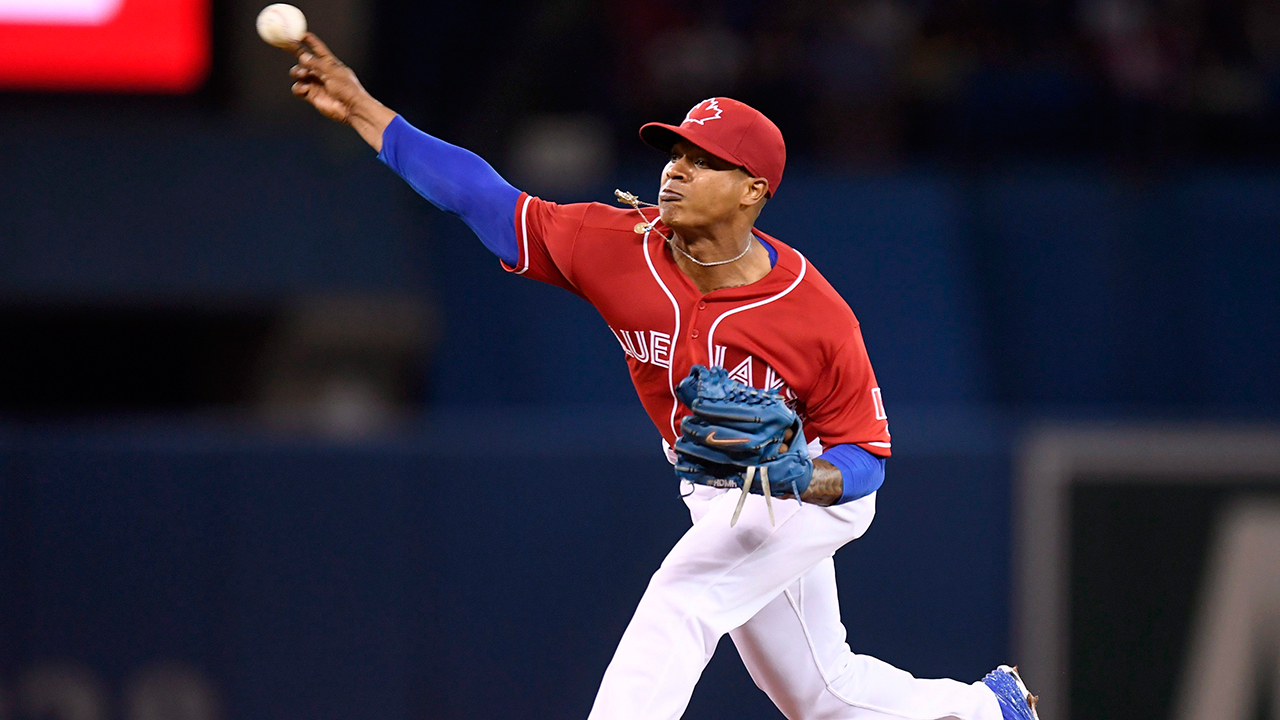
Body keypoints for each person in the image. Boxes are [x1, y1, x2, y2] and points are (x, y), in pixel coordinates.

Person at [282, 32, 1041, 720]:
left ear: (753, 190)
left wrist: (792, 475)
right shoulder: (617, 245)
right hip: (716, 485)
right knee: (818, 693)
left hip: (804, 485)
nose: (676, 171)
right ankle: (987, 710)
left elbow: (866, 459)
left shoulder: (813, 312)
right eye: (675, 153)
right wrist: (370, 113)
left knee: (681, 601)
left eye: (704, 161)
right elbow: (482, 197)